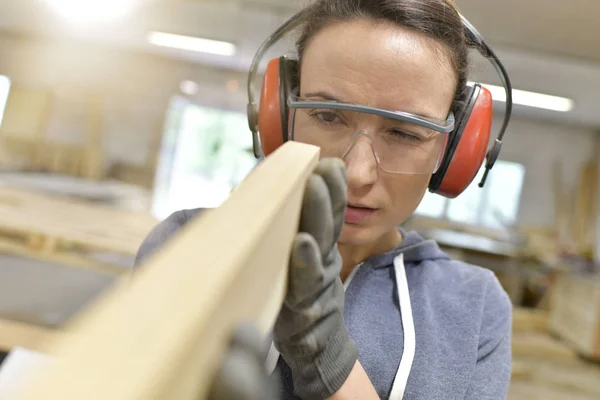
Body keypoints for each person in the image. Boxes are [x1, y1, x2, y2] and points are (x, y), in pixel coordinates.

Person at [135, 0, 514, 399]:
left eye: (404, 133)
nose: (356, 173)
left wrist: (327, 359)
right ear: (280, 117)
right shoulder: (189, 243)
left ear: (452, 151)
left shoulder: (474, 306)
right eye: (328, 116)